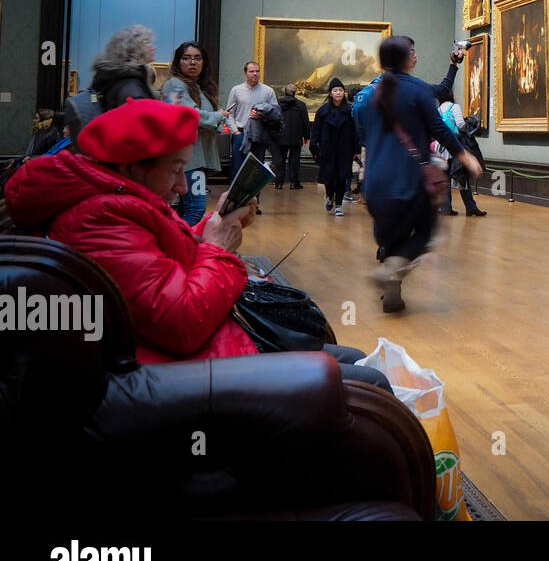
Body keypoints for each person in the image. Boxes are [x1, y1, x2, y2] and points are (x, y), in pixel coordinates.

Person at [2, 99, 391, 391]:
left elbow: (166, 257)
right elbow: (181, 322)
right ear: (130, 166)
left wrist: (214, 222)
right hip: (188, 366)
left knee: (357, 361)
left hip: (205, 345)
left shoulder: (119, 197)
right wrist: (219, 249)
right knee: (369, 381)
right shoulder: (98, 219)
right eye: (174, 169)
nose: (182, 186)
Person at [358, 37, 482, 312]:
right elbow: (439, 127)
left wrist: (453, 65)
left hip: (375, 183)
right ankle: (390, 270)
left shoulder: (370, 95)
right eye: (412, 52)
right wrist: (465, 156)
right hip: (408, 180)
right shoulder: (417, 90)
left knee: (390, 238)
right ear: (405, 58)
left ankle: (392, 288)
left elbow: (364, 135)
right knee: (427, 231)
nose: (416, 56)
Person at [160, 41, 227, 226]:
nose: (192, 62)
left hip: (197, 157)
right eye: (186, 58)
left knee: (187, 208)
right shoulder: (174, 85)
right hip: (187, 159)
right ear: (178, 62)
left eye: (197, 58)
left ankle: (179, 249)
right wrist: (217, 116)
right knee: (196, 208)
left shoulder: (200, 87)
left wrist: (218, 118)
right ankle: (181, 247)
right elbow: (186, 114)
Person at [310, 77, 359, 217]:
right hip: (327, 149)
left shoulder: (350, 110)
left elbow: (356, 131)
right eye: (335, 90)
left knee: (342, 177)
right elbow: (316, 131)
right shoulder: (323, 111)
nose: (338, 93)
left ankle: (338, 204)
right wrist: (314, 147)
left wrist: (356, 150)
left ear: (344, 92)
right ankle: (330, 196)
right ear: (330, 93)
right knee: (329, 177)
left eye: (340, 90)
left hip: (345, 149)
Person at [435, 92, 486, 216]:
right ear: (452, 96)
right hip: (454, 146)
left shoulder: (438, 109)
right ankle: (471, 208)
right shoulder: (454, 107)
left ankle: (446, 208)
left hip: (441, 147)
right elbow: (460, 125)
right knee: (462, 177)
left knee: (445, 178)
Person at [225, 61, 277, 180]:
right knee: (238, 169)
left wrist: (261, 116)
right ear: (245, 73)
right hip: (240, 133)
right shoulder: (236, 90)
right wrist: (235, 131)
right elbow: (230, 114)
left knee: (256, 170)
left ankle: (255, 198)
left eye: (257, 71)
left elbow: (275, 114)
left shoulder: (268, 91)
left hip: (259, 135)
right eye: (251, 71)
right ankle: (236, 198)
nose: (255, 74)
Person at [273, 84, 310, 189]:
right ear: (295, 92)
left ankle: (279, 183)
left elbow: (274, 120)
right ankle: (294, 183)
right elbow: (305, 123)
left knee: (280, 160)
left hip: (281, 137)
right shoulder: (301, 105)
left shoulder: (278, 104)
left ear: (285, 91)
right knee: (294, 161)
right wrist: (306, 136)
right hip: (296, 137)